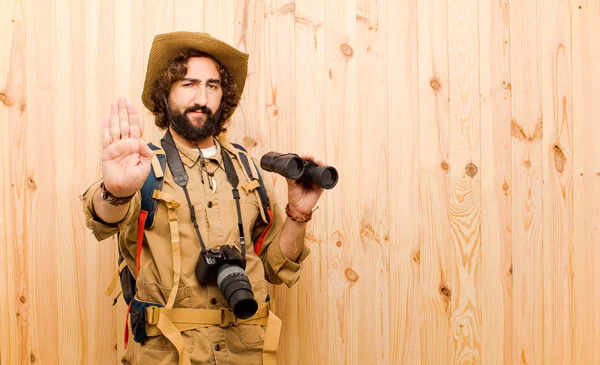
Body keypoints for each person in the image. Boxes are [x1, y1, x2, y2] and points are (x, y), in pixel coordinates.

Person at [80, 31, 325, 365]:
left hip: (246, 353)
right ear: (165, 93)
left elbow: (274, 267)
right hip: (168, 354)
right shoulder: (141, 165)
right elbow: (104, 218)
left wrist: (298, 214)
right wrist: (116, 191)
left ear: (223, 96)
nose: (202, 97)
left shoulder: (248, 169)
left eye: (212, 86)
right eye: (188, 84)